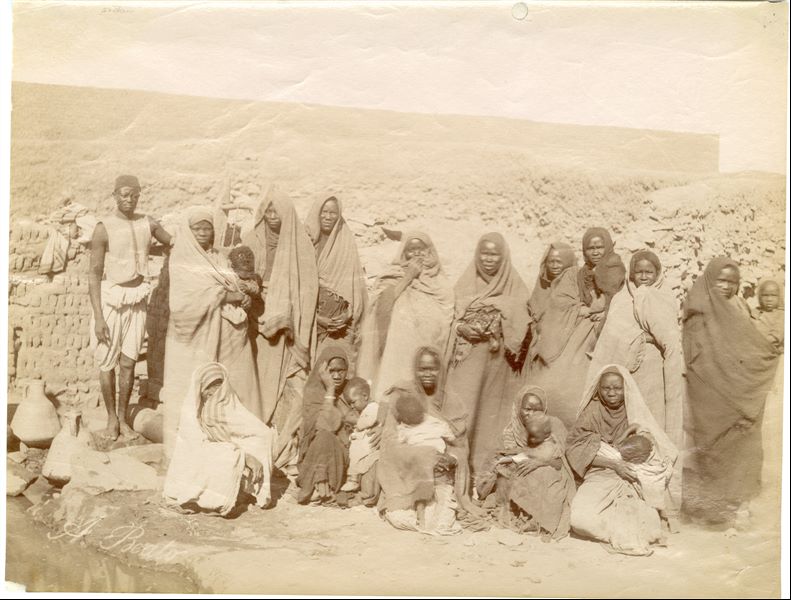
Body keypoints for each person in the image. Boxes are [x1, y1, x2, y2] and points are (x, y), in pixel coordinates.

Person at [586, 249, 684, 522]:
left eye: (649, 272)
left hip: (655, 376)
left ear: (658, 274)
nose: (643, 277)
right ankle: (629, 496)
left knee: (654, 431)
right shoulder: (621, 299)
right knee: (630, 431)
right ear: (631, 274)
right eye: (638, 272)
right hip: (630, 378)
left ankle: (661, 502)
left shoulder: (664, 297)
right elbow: (611, 336)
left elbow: (670, 341)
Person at [683, 258, 781, 526]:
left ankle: (738, 504)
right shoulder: (698, 308)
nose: (726, 286)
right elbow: (696, 353)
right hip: (711, 392)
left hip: (739, 391)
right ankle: (714, 508)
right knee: (714, 446)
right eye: (721, 280)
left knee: (742, 445)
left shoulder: (740, 307)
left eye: (732, 282)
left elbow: (750, 343)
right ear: (710, 280)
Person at [160, 206, 258, 460]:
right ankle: (186, 452)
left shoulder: (217, 257)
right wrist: (233, 294)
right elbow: (186, 300)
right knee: (190, 388)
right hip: (190, 339)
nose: (203, 233)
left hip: (219, 332)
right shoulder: (181, 256)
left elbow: (235, 282)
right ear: (189, 231)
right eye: (197, 228)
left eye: (207, 228)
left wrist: (243, 295)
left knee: (221, 388)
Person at [241, 186, 319, 485]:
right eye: (268, 210)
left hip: (289, 331)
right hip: (255, 325)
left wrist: (289, 312)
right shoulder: (251, 240)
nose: (273, 217)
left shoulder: (301, 246)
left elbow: (308, 288)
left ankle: (281, 450)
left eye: (278, 211)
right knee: (257, 384)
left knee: (289, 388)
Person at [89, 174, 172, 441]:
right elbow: (94, 274)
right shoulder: (104, 228)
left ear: (139, 195)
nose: (129, 199)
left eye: (134, 195)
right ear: (115, 195)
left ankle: (124, 420)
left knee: (129, 362)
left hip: (138, 299)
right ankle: (111, 420)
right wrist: (99, 318)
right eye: (124, 194)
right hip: (111, 300)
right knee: (107, 363)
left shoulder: (147, 223)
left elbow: (173, 241)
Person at [566, 365, 678, 556]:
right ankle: (624, 535)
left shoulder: (633, 409)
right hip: (600, 473)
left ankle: (629, 532)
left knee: (651, 528)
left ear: (624, 389)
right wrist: (613, 464)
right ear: (598, 390)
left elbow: (649, 445)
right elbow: (574, 447)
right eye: (606, 388)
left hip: (630, 474)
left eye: (617, 388)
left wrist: (635, 442)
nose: (611, 393)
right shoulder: (592, 411)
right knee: (579, 520)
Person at [444, 233, 531, 478]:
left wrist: (500, 321)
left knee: (492, 416)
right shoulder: (465, 282)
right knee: (463, 411)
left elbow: (524, 317)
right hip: (468, 359)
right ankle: (457, 471)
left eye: (494, 254)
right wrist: (461, 328)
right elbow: (449, 318)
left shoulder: (514, 283)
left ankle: (486, 473)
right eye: (484, 253)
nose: (488, 259)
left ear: (503, 258)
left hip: (497, 363)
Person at [377, 346, 484, 534]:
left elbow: (459, 445)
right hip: (408, 473)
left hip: (441, 473)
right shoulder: (403, 395)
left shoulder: (452, 401)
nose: (427, 374)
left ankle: (437, 508)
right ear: (415, 369)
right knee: (401, 518)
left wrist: (452, 458)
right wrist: (422, 456)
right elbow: (390, 442)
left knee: (442, 522)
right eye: (422, 368)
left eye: (432, 368)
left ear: (440, 370)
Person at [163, 362, 276, 516]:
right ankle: (209, 500)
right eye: (208, 394)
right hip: (197, 463)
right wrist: (244, 456)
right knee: (228, 457)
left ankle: (244, 491)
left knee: (259, 439)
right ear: (200, 390)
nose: (212, 399)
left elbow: (257, 432)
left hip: (222, 451)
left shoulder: (227, 405)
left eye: (218, 395)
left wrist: (249, 452)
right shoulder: (190, 412)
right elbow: (198, 447)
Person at [357, 231, 455, 399]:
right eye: (411, 249)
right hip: (398, 351)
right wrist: (409, 276)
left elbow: (447, 312)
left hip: (429, 347)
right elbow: (380, 306)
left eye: (421, 248)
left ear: (430, 251)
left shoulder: (439, 281)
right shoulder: (393, 275)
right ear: (404, 253)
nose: (416, 253)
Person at [476, 385, 573, 539]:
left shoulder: (553, 425)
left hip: (550, 473)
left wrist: (540, 463)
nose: (531, 413)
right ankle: (521, 513)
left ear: (545, 409)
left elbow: (561, 463)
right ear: (518, 408)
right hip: (521, 475)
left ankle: (538, 518)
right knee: (507, 472)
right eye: (527, 409)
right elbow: (496, 459)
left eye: (537, 409)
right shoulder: (511, 432)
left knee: (545, 473)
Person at [305, 196, 367, 362]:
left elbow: (355, 285)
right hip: (308, 316)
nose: (327, 217)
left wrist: (347, 313)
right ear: (317, 214)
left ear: (339, 215)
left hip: (339, 324)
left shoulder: (345, 242)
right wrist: (318, 318)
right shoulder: (306, 241)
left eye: (333, 213)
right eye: (324, 212)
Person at [495, 415, 575, 540]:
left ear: (547, 434)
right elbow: (529, 455)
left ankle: (542, 522)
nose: (531, 439)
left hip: (554, 477)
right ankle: (523, 513)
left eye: (534, 436)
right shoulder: (537, 441)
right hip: (537, 474)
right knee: (516, 474)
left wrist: (538, 462)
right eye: (530, 436)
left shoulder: (552, 446)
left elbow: (557, 464)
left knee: (550, 488)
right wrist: (512, 457)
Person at [296, 345, 356, 505]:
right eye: (331, 371)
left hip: (342, 455)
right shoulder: (313, 391)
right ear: (322, 371)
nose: (336, 376)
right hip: (314, 453)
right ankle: (318, 486)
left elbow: (374, 404)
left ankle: (320, 489)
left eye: (341, 370)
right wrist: (330, 390)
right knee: (324, 436)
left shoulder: (352, 388)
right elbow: (325, 425)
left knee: (327, 438)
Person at [576, 227, 626, 332]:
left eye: (599, 247)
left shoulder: (615, 268)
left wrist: (606, 314)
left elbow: (623, 301)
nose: (595, 253)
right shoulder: (583, 273)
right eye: (590, 248)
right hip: (589, 320)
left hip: (613, 321)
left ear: (608, 247)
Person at [340, 378, 379, 494]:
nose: (352, 406)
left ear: (365, 396)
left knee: (357, 453)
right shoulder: (365, 409)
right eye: (349, 403)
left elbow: (368, 422)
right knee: (354, 451)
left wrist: (356, 422)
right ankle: (353, 477)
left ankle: (353, 479)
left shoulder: (373, 407)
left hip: (370, 440)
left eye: (353, 402)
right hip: (365, 438)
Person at [753, 279, 784, 353]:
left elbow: (775, 337)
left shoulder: (782, 315)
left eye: (773, 295)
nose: (769, 299)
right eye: (765, 295)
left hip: (771, 351)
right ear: (760, 296)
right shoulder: (754, 311)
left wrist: (756, 343)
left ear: (779, 297)